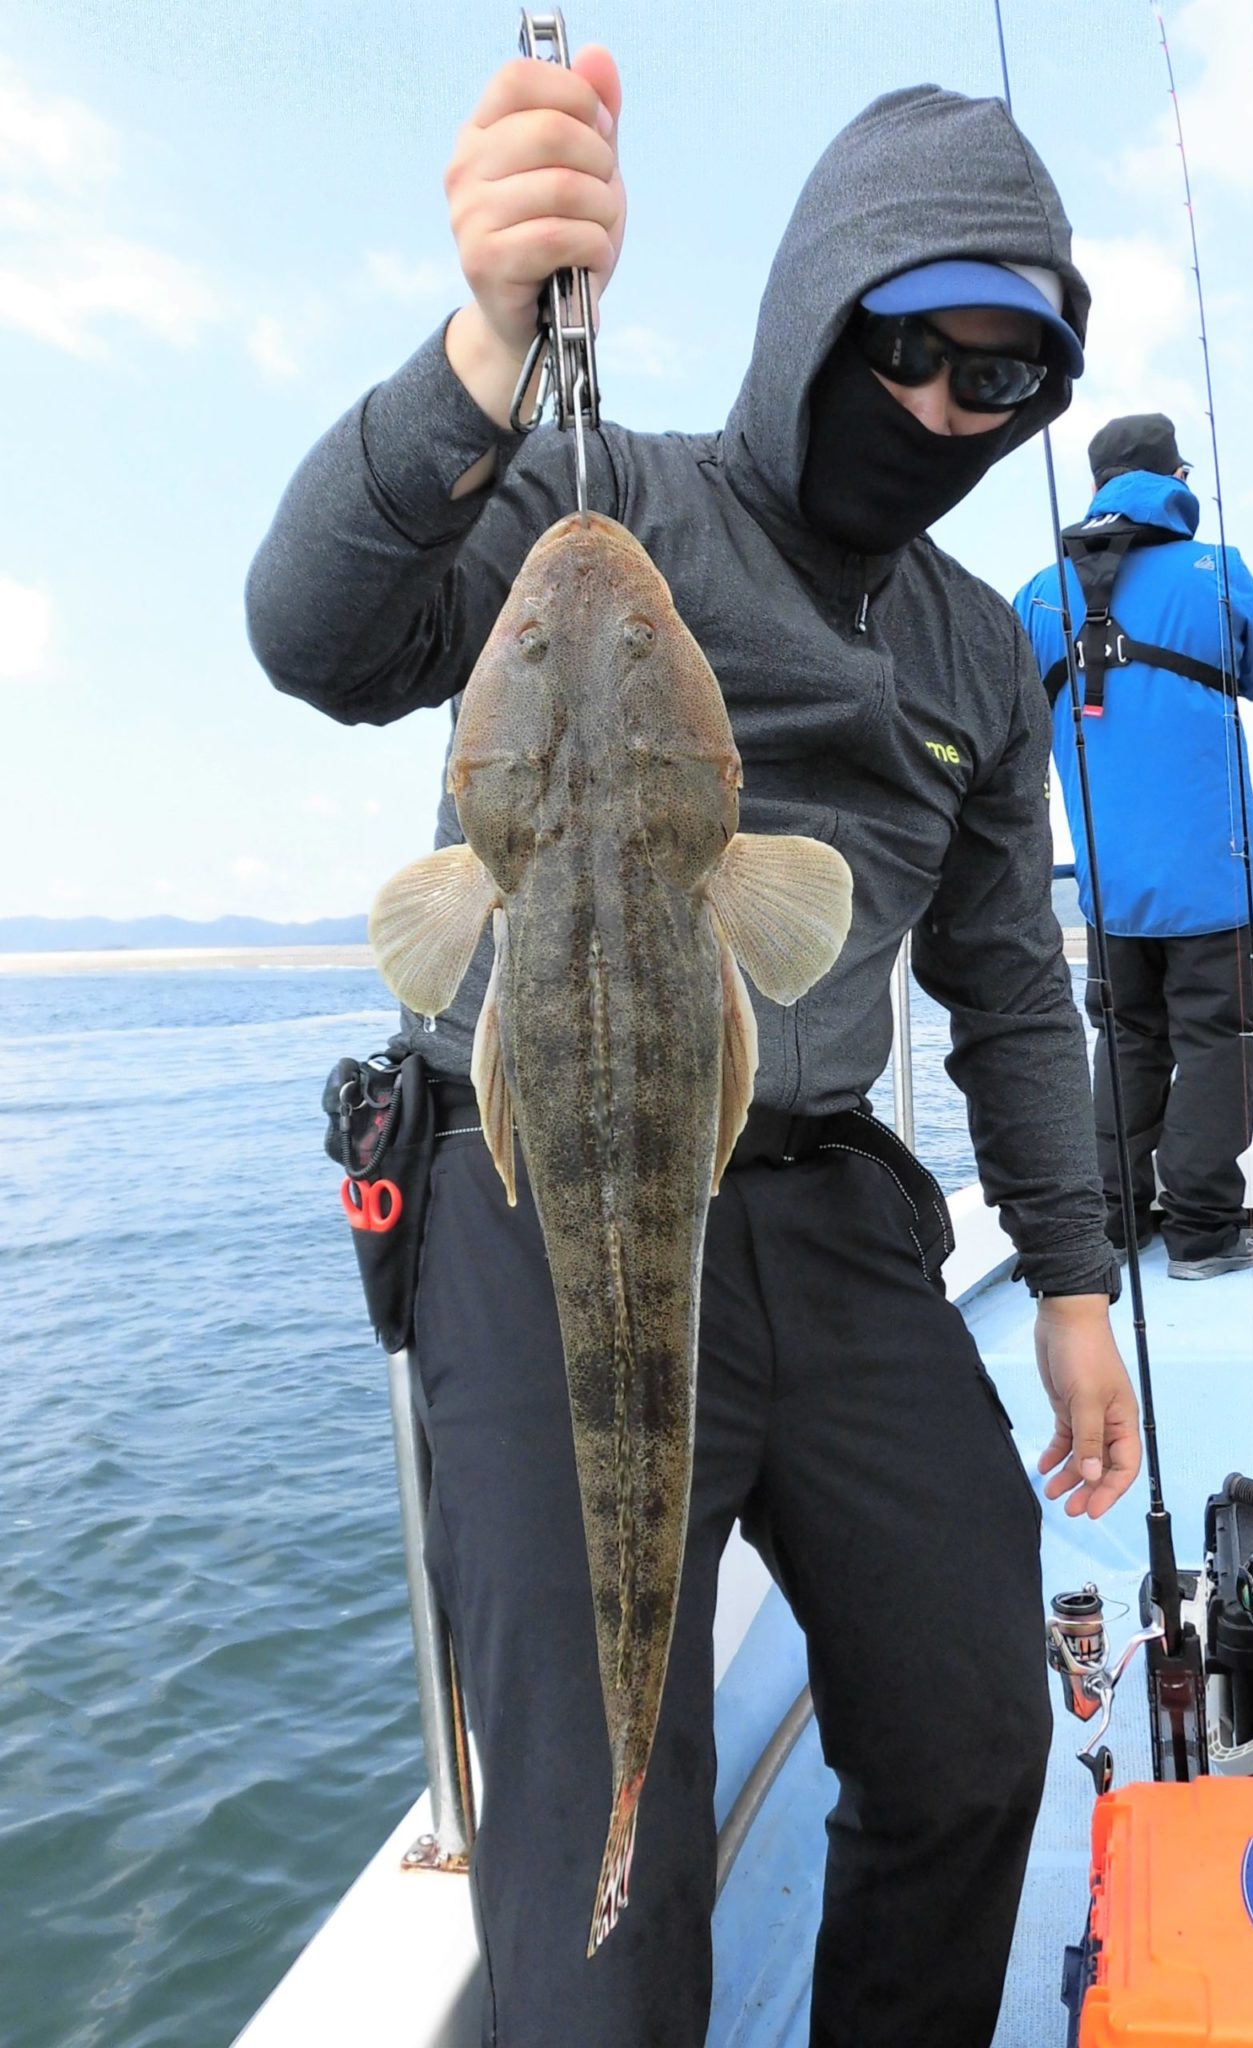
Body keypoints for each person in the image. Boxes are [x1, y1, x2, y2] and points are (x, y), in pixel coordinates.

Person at [248, 47, 1142, 2048]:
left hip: (821, 1204)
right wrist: (488, 342)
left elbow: (1005, 980)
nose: (940, 408)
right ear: (819, 312)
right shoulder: (596, 513)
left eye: (1001, 380)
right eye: (910, 343)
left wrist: (1073, 1282)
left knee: (980, 1729)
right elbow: (317, 631)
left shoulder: (983, 656)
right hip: (534, 1181)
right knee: (589, 1913)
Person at [1014, 413, 1253, 1281]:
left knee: (1127, 1038)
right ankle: (1204, 1233)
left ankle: (1114, 1222)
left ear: (1098, 487)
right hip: (1213, 874)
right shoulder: (1217, 570)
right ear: (1172, 476)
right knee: (1216, 1035)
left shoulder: (1037, 594)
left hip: (1110, 885)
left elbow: (1016, 721)